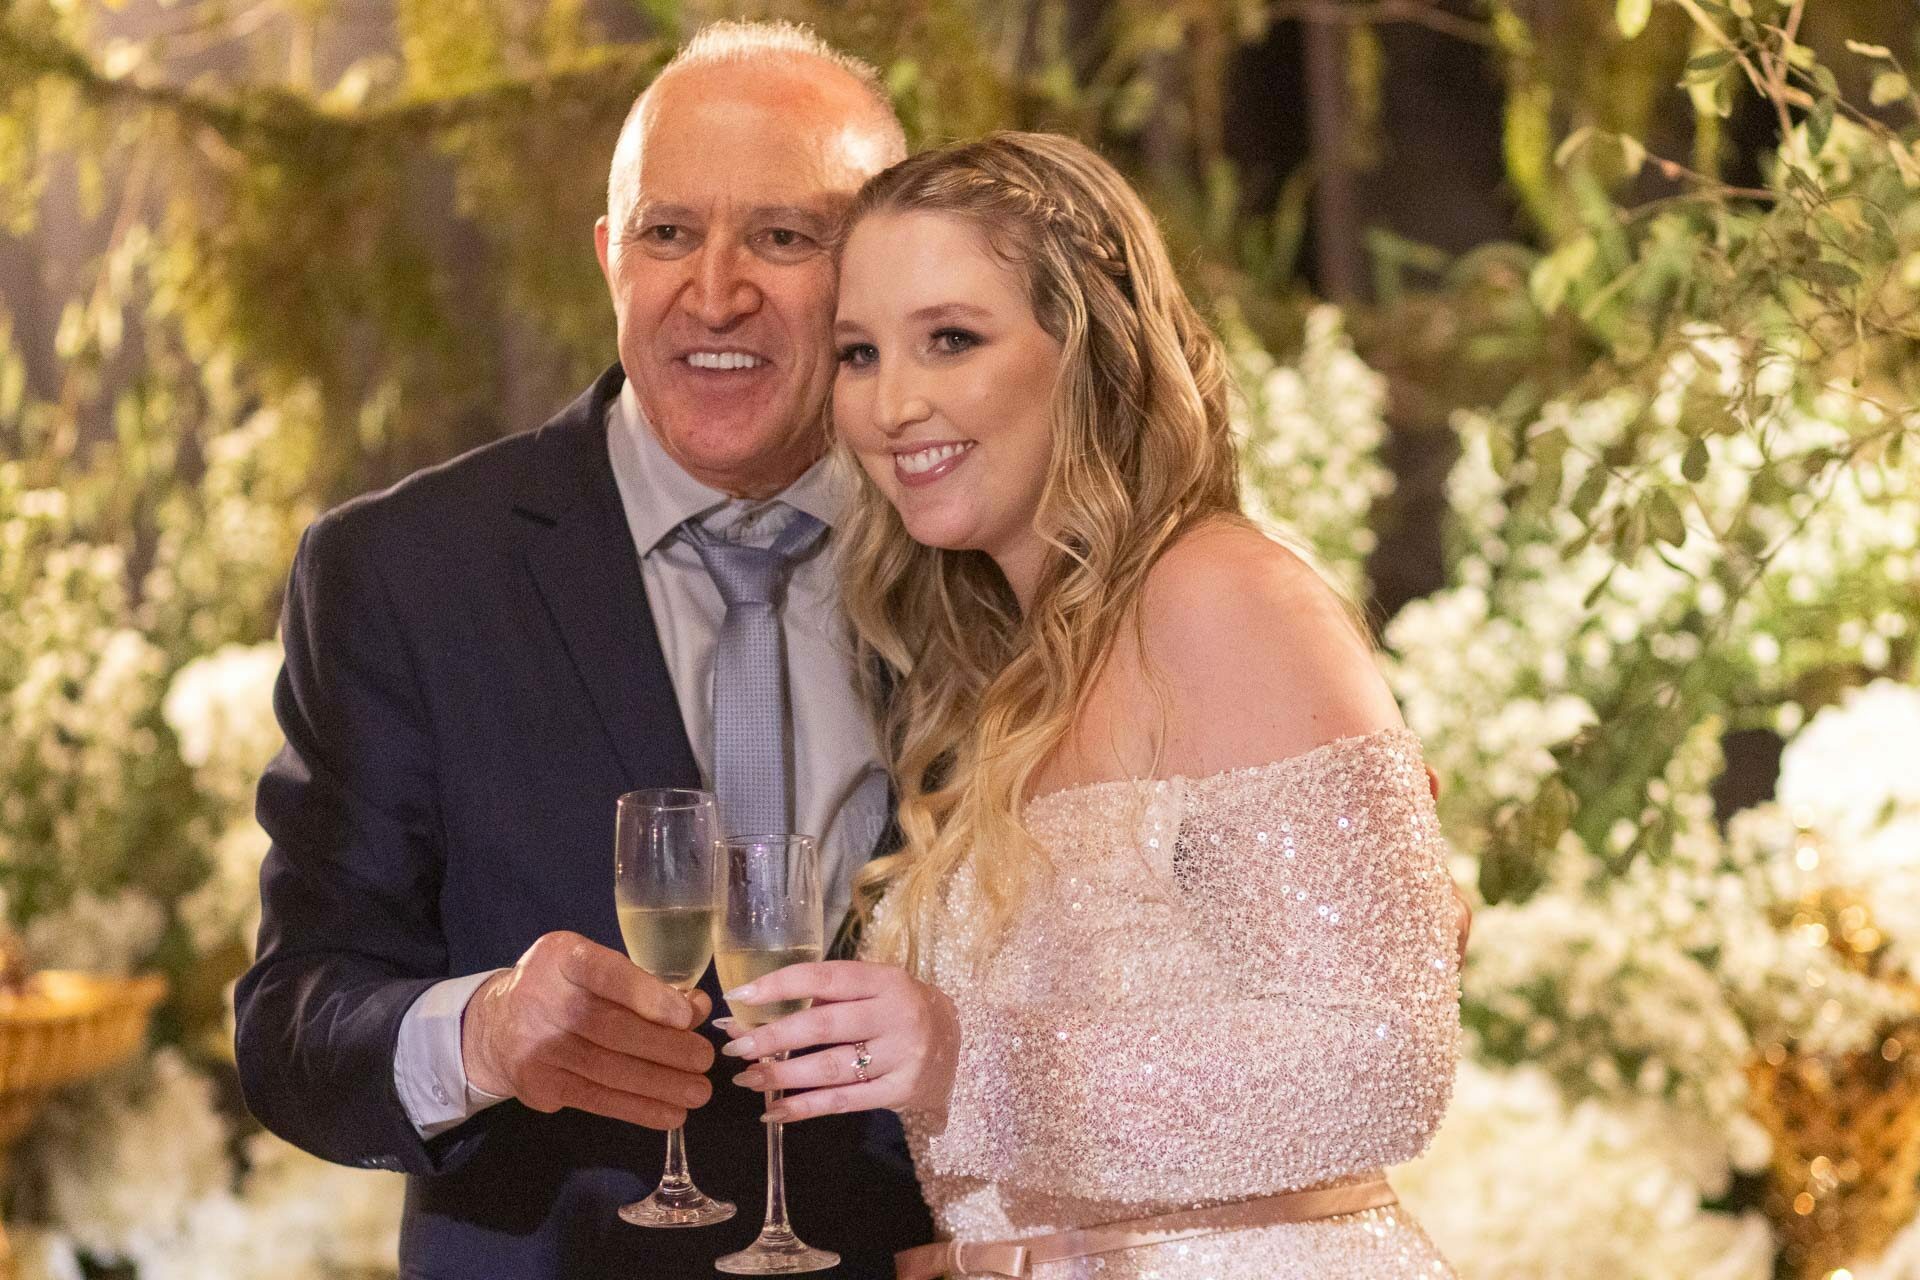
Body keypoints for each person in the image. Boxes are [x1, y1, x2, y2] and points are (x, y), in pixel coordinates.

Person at [232, 22, 936, 1279]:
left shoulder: (981, 553)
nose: (714, 292)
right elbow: (293, 1024)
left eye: (784, 236)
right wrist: (486, 1033)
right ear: (611, 257)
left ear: (880, 272)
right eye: (670, 232)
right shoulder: (403, 572)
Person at [713, 132, 1462, 1278]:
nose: (893, 403)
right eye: (860, 353)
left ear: (1091, 351)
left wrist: (969, 1062)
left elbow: (1386, 1066)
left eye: (951, 339)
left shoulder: (1222, 595)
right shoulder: (1005, 665)